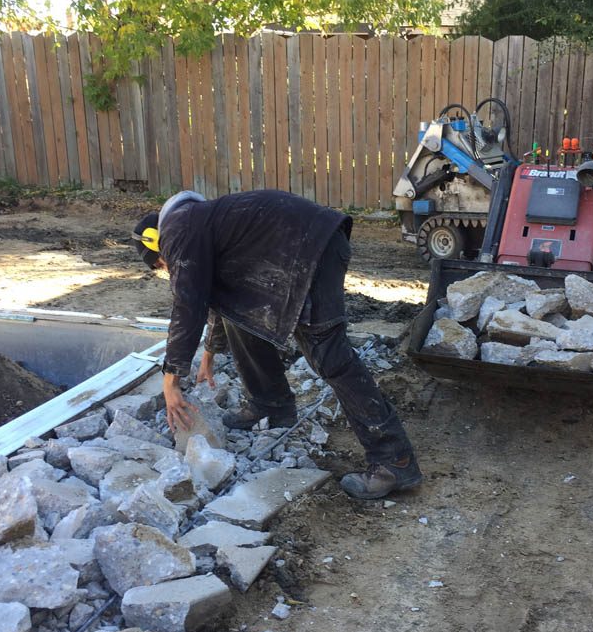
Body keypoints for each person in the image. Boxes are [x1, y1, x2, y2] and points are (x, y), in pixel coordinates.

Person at [132, 189, 422, 500]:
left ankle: (394, 460)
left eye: (162, 266)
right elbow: (215, 299)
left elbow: (188, 303)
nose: (168, 270)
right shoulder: (197, 222)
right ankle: (271, 406)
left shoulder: (179, 230)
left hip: (311, 252)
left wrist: (171, 380)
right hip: (305, 247)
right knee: (240, 320)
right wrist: (209, 355)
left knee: (330, 356)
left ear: (157, 246)